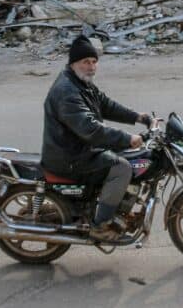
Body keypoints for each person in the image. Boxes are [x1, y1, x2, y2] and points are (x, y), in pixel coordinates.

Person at [40, 35, 152, 241]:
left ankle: (107, 207)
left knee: (125, 156)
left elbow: (104, 104)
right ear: (74, 63)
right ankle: (101, 225)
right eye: (86, 62)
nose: (91, 66)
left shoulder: (80, 82)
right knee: (122, 168)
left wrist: (137, 116)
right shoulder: (67, 91)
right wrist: (127, 138)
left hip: (77, 149)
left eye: (94, 62)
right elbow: (90, 129)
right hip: (70, 157)